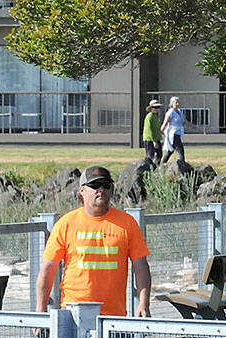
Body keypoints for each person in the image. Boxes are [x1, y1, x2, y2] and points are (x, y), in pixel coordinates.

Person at [34, 165, 152, 319]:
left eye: (106, 185)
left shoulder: (127, 223)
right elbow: (47, 269)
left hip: (113, 317)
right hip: (73, 314)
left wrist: (143, 304)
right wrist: (40, 310)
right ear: (82, 191)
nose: (101, 189)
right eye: (95, 185)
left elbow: (141, 266)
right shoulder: (66, 223)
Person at [159, 96, 193, 165]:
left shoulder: (180, 111)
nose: (177, 104)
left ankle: (162, 164)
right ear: (172, 103)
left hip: (178, 133)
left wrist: (194, 126)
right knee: (181, 150)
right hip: (173, 134)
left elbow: (185, 121)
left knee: (170, 151)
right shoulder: (170, 112)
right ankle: (182, 165)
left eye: (178, 102)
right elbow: (165, 123)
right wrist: (160, 131)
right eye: (176, 102)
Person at [142, 99, 163, 164]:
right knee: (150, 156)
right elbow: (149, 130)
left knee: (159, 154)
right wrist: (154, 141)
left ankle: (156, 168)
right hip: (150, 139)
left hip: (156, 139)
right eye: (155, 107)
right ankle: (148, 169)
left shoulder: (155, 116)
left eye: (158, 107)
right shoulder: (149, 117)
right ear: (151, 108)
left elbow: (157, 128)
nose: (157, 109)